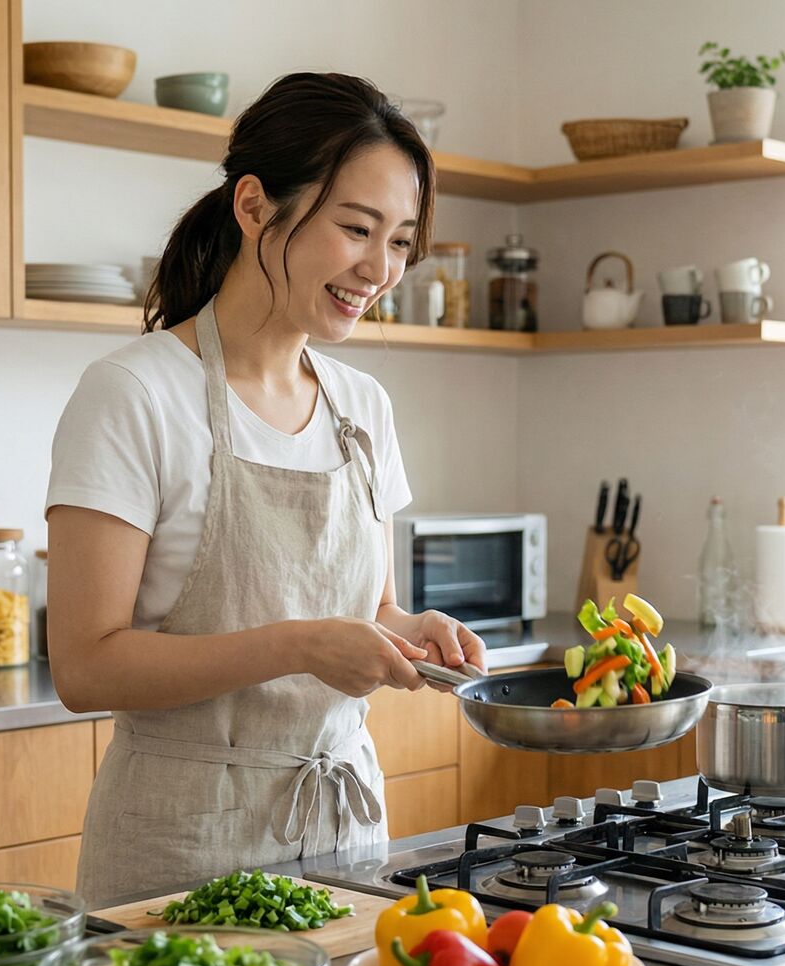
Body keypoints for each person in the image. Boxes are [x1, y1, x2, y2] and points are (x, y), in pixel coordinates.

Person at [44, 73, 485, 905]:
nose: (378, 270)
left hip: (345, 835)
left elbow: (373, 610)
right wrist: (297, 646)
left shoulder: (364, 407)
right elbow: (84, 666)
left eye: (398, 242)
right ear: (254, 207)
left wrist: (411, 634)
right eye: (356, 228)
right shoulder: (134, 394)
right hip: (179, 847)